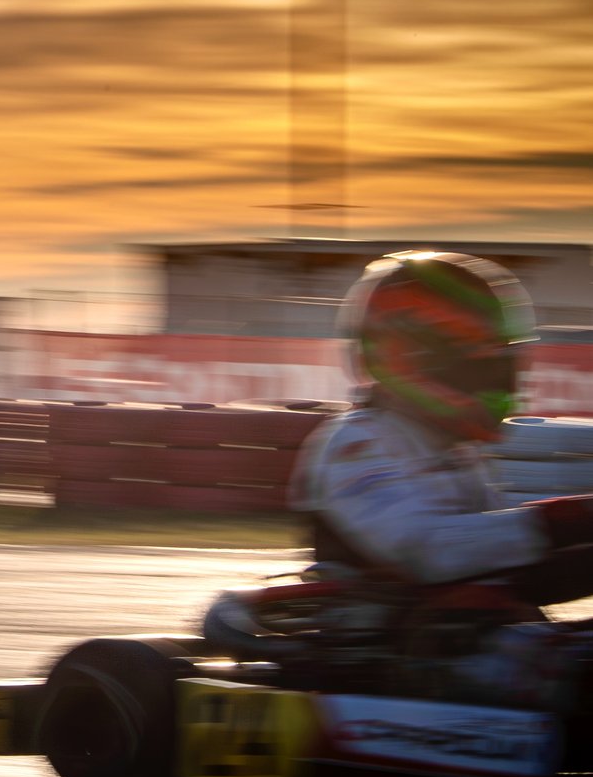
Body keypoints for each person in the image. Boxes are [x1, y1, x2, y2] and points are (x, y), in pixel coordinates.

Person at [208, 250, 593, 705]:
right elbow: (422, 549)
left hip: (466, 632)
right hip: (393, 645)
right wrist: (555, 521)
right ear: (418, 357)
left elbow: (501, 559)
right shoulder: (355, 442)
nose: (502, 383)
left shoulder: (452, 450)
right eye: (484, 366)